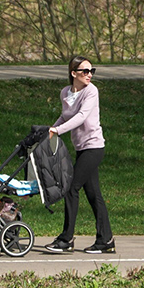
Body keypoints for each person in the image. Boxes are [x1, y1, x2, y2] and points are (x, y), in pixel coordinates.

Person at [44, 56, 115, 254]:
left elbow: (82, 116)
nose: (89, 74)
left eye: (92, 70)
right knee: (93, 195)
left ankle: (66, 239)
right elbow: (65, 116)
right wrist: (51, 129)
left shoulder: (91, 91)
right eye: (85, 71)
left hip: (94, 146)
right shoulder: (65, 92)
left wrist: (58, 131)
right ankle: (106, 240)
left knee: (71, 188)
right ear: (73, 73)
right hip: (81, 148)